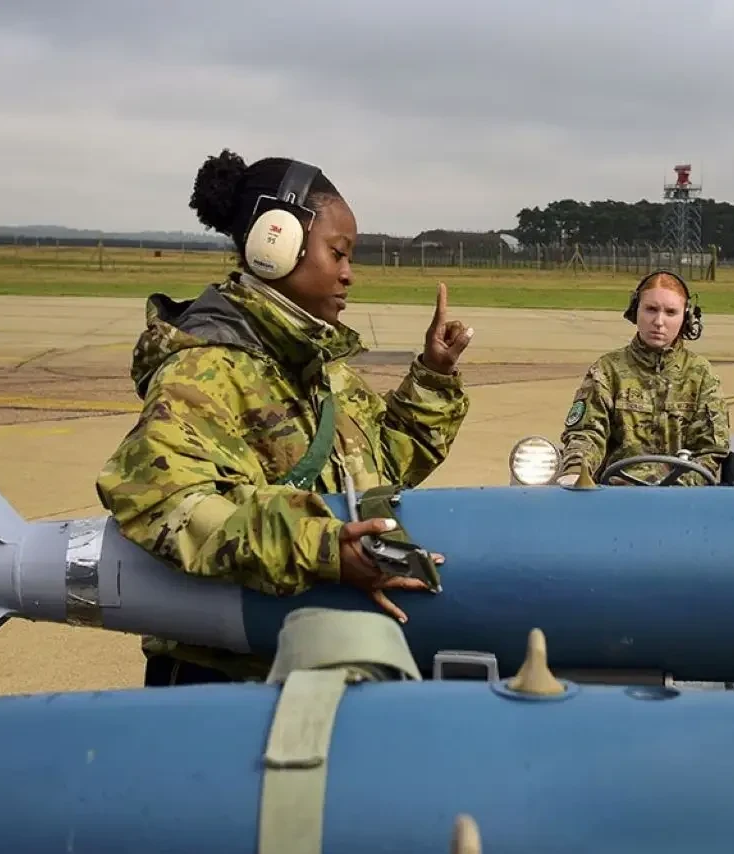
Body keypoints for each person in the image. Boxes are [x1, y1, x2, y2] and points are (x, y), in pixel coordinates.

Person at [95, 148, 474, 686]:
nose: (348, 275)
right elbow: (168, 504)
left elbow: (386, 470)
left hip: (310, 658)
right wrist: (321, 548)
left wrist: (433, 375)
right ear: (276, 244)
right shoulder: (205, 370)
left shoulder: (319, 368)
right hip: (227, 676)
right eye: (338, 253)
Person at [556, 269, 730, 487]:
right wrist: (575, 471)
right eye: (651, 309)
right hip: (616, 494)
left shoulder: (701, 375)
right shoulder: (607, 370)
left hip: (680, 496)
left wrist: (675, 486)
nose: (659, 321)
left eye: (670, 312)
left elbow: (710, 452)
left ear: (686, 318)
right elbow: (587, 433)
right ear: (635, 310)